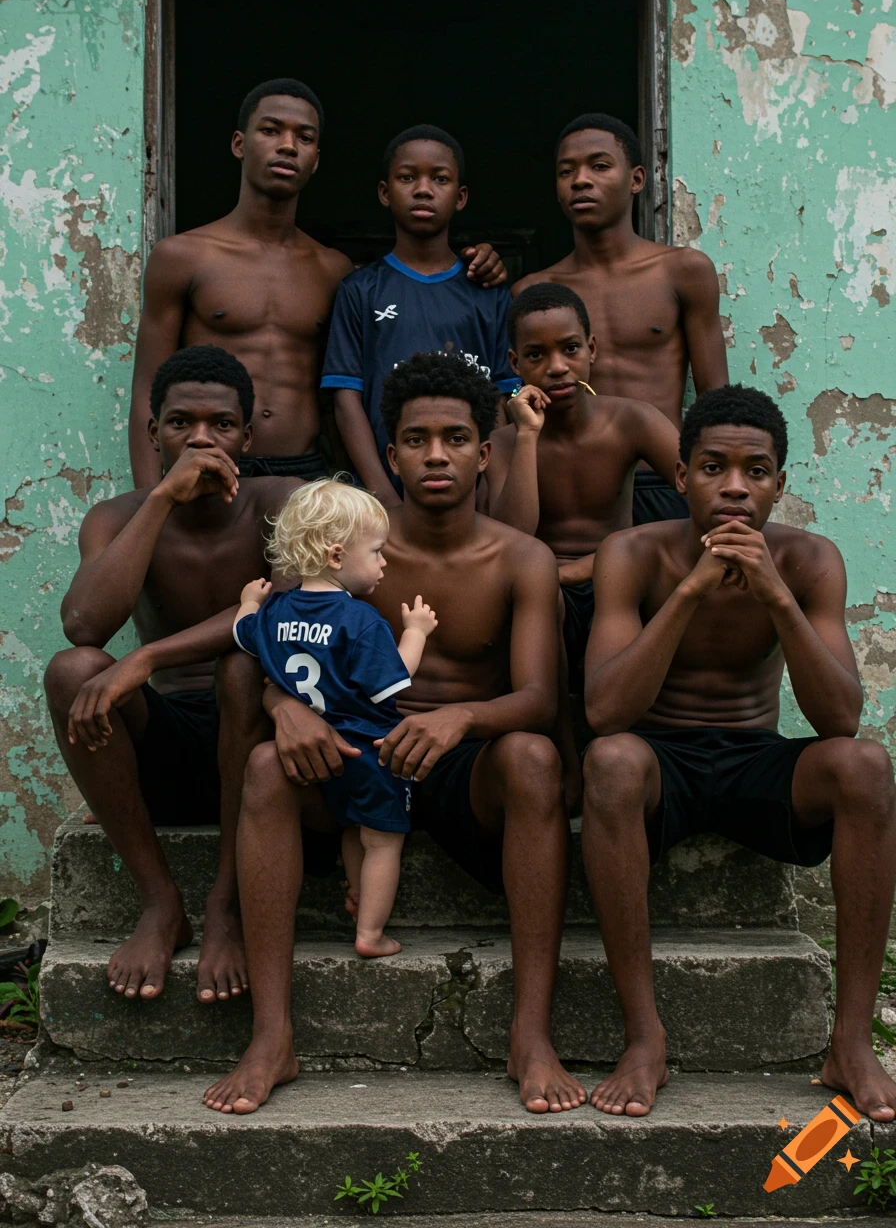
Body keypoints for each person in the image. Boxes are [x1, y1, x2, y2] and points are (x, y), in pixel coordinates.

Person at [200, 353, 586, 1117]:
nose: (436, 455)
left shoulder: (522, 558)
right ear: (390, 453)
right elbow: (274, 638)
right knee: (268, 765)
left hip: (462, 764)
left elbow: (541, 698)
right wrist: (283, 703)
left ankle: (531, 1035)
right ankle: (272, 1036)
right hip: (356, 755)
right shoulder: (343, 546)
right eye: (416, 439)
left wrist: (460, 717)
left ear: (486, 452)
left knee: (533, 758)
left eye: (455, 438)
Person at [580, 384, 896, 1122]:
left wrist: (776, 595)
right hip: (661, 762)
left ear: (779, 485)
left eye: (755, 472)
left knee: (867, 766)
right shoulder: (632, 553)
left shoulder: (810, 559)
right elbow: (605, 712)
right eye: (713, 467)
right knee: (612, 761)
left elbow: (839, 718)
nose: (734, 487)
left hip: (756, 758)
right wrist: (689, 592)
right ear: (681, 475)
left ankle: (850, 1043)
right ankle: (645, 1039)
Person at [44, 346, 299, 1007]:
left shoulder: (283, 502)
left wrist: (148, 656)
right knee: (73, 671)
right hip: (171, 751)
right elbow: (83, 624)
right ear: (154, 432)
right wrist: (160, 498)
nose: (201, 440)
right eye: (182, 423)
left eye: (222, 424)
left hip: (267, 749)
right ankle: (161, 903)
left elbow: (285, 612)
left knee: (242, 665)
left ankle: (226, 907)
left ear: (248, 437)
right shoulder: (117, 516)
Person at [129, 84, 506, 488]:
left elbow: (340, 395)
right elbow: (148, 391)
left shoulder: (333, 270)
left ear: (316, 159)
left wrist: (357, 493)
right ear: (239, 144)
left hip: (304, 473)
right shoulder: (182, 256)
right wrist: (153, 501)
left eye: (304, 137)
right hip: (207, 464)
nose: (287, 146)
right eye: (270, 130)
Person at [232, 480, 438, 958]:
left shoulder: (276, 611)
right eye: (377, 552)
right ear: (337, 556)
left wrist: (249, 600)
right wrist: (416, 632)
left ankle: (359, 894)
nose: (383, 563)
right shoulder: (361, 621)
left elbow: (242, 633)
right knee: (383, 840)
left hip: (320, 752)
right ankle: (371, 933)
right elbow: (396, 677)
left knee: (351, 827)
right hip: (370, 749)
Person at [513, 113, 728, 524]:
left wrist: (717, 484)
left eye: (599, 166)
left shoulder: (683, 271)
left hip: (663, 478)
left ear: (637, 179)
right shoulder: (534, 293)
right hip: (571, 486)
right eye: (566, 171)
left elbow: (714, 399)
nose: (580, 180)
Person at [322, 126, 521, 507]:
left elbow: (503, 397)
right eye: (407, 177)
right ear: (385, 192)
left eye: (440, 179)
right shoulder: (360, 290)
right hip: (383, 494)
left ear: (460, 197)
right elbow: (345, 399)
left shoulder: (489, 292)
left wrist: (488, 486)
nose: (424, 189)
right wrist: (382, 495)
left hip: (470, 496)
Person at [487, 283, 679, 668]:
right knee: (538, 600)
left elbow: (706, 491)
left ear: (591, 349)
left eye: (570, 349)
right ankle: (551, 707)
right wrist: (527, 436)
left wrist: (577, 570)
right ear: (515, 364)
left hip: (618, 575)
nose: (557, 367)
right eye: (536, 355)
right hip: (542, 587)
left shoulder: (632, 420)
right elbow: (511, 539)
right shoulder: (504, 443)